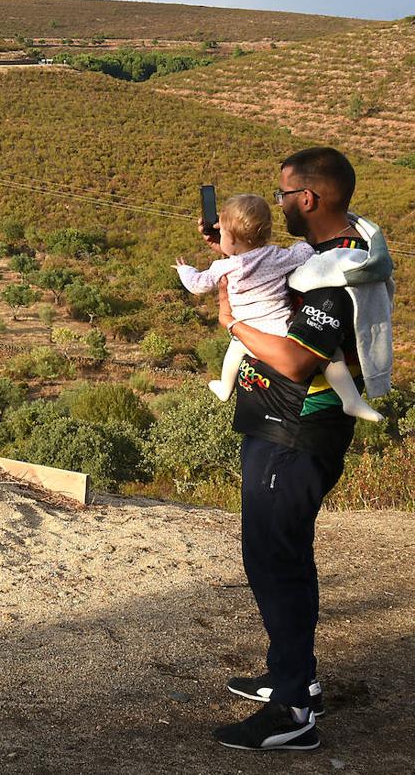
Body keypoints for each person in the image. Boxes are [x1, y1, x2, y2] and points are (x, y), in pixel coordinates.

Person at [207, 147, 394, 751]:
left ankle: (293, 713)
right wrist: (235, 252)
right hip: (279, 425)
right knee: (283, 555)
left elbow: (293, 359)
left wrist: (233, 323)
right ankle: (296, 678)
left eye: (284, 195)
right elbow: (275, 283)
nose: (280, 203)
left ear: (308, 199)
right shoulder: (318, 256)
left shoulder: (338, 274)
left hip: (296, 431)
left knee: (274, 560)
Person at [175, 193, 381, 421]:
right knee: (330, 354)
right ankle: (351, 399)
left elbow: (197, 285)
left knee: (235, 349)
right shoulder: (277, 256)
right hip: (281, 331)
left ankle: (225, 386)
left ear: (231, 239)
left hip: (248, 335)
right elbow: (305, 252)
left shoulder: (223, 267)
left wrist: (185, 270)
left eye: (222, 233)